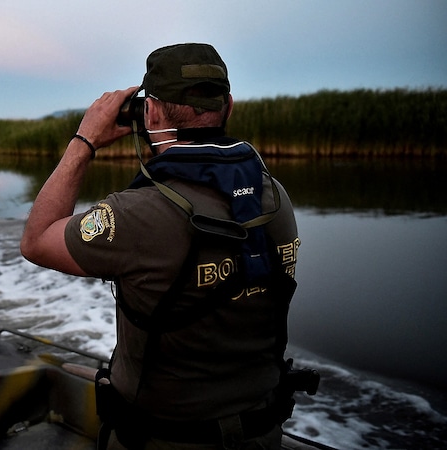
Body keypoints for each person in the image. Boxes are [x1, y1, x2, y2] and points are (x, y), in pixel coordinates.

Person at [20, 43, 300, 450]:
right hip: (261, 433)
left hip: (161, 439)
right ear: (229, 107)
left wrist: (85, 140)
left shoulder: (136, 215)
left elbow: (36, 240)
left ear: (149, 113)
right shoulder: (274, 198)